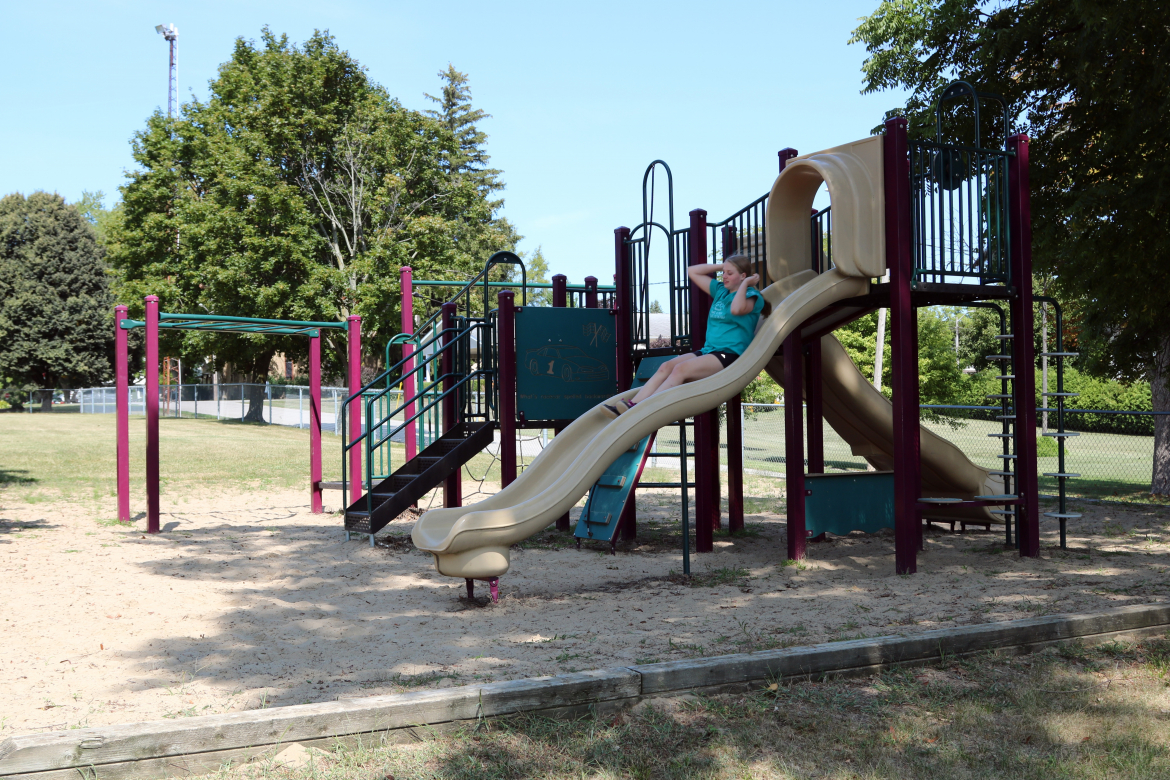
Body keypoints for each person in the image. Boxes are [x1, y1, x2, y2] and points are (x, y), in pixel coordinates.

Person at [603, 252, 769, 417]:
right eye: (723, 272)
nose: (724, 276)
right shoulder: (721, 291)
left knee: (680, 370)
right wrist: (725, 265)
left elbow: (736, 309)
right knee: (666, 367)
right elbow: (692, 271)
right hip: (709, 351)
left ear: (743, 276)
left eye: (729, 273)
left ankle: (644, 410)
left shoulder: (752, 296)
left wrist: (746, 283)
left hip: (729, 354)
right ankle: (634, 404)